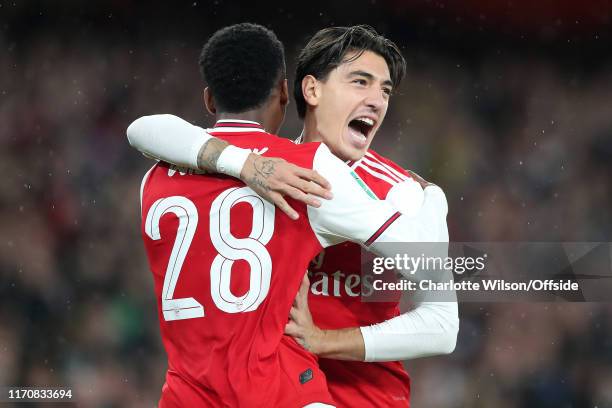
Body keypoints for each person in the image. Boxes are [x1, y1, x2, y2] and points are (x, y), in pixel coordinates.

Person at [131, 23, 448, 407]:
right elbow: (146, 130)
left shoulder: (401, 193)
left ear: (211, 99)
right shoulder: (294, 169)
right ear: (302, 90)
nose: (377, 101)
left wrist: (324, 340)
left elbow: (441, 326)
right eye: (360, 82)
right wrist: (246, 165)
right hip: (281, 391)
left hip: (350, 397)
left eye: (385, 91)